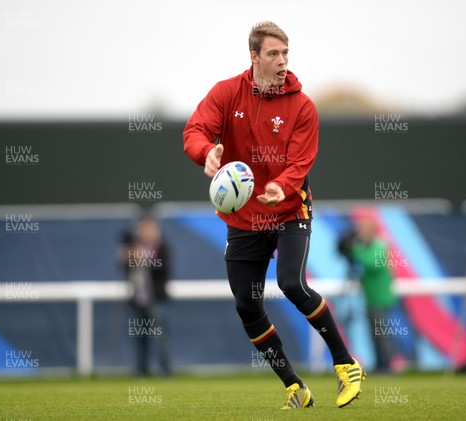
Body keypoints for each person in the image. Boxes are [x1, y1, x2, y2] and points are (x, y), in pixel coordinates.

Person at [183, 21, 364, 409]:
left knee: (291, 284)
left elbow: (300, 162)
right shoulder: (227, 93)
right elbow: (195, 130)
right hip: (244, 218)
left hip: (287, 210)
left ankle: (346, 364)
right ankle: (294, 387)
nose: (282, 62)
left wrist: (280, 186)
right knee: (247, 304)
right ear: (254, 57)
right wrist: (206, 152)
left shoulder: (302, 106)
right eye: (273, 54)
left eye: (285, 54)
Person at [338, 215, 404, 373]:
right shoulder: (365, 247)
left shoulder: (379, 245)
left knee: (381, 335)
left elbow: (372, 264)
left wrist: (353, 251)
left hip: (381, 297)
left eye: (363, 231)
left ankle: (386, 366)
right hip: (371, 298)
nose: (360, 235)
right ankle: (380, 365)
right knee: (375, 335)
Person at [120, 216, 172, 377]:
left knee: (160, 337)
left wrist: (146, 260)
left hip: (156, 299)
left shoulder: (163, 248)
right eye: (143, 228)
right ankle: (141, 371)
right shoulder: (133, 248)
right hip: (138, 300)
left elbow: (164, 271)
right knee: (140, 337)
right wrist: (128, 257)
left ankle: (165, 371)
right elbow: (125, 269)